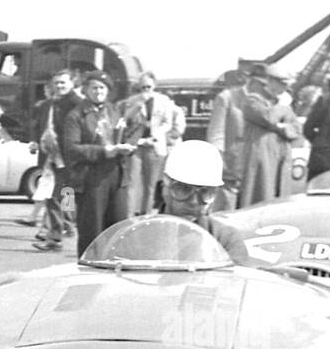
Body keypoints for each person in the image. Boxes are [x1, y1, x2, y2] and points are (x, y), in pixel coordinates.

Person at [62, 70, 135, 256]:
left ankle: (116, 266)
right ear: (86, 90)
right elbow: (71, 149)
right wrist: (103, 151)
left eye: (102, 88)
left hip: (117, 175)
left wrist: (130, 146)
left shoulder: (114, 111)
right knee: (92, 230)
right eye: (94, 87)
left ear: (108, 90)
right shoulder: (76, 115)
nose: (98, 91)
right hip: (91, 177)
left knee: (119, 227)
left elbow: (124, 134)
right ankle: (88, 268)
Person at [158, 140, 250, 262]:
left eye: (205, 192)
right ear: (165, 186)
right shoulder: (137, 235)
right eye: (184, 189)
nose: (194, 201)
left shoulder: (225, 239)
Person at [120, 72, 184, 215]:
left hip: (154, 146)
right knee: (132, 183)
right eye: (142, 87)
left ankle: (146, 215)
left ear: (154, 86)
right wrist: (137, 106)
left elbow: (168, 123)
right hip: (136, 146)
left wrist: (155, 134)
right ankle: (129, 217)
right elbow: (125, 121)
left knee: (150, 185)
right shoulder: (132, 101)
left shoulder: (164, 101)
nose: (146, 90)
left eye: (148, 86)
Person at [31, 69, 80, 251]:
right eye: (57, 83)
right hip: (53, 156)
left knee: (60, 195)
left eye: (63, 83)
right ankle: (61, 228)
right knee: (59, 195)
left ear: (72, 83)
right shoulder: (50, 104)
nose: (59, 86)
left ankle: (56, 233)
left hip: (69, 157)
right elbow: (40, 126)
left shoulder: (77, 104)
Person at [238, 64, 300, 206]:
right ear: (270, 81)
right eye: (282, 84)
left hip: (281, 156)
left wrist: (281, 127)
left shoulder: (283, 104)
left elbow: (297, 129)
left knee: (279, 196)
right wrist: (281, 115)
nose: (285, 88)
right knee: (259, 193)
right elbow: (268, 117)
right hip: (262, 157)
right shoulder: (252, 100)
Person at [206, 68, 248, 211]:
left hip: (248, 161)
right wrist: (219, 158)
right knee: (227, 204)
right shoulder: (225, 98)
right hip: (230, 161)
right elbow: (216, 132)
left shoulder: (254, 99)